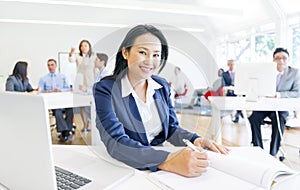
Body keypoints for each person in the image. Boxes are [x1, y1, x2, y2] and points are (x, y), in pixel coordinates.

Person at [93, 24, 229, 177]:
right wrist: (168, 160)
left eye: (156, 55)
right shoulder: (105, 89)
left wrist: (195, 139)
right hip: (125, 166)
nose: (150, 61)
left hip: (160, 166)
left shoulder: (161, 86)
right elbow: (116, 141)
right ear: (125, 52)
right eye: (143, 52)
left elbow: (171, 128)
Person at [248, 47, 300, 157]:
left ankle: (273, 153)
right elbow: (259, 87)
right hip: (266, 106)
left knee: (279, 120)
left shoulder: (295, 72)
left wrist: (279, 95)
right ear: (273, 60)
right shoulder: (267, 72)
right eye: (277, 58)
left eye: (284, 58)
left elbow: (297, 92)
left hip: (282, 107)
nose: (281, 61)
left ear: (288, 59)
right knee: (253, 118)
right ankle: (259, 150)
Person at [38, 59, 73, 142]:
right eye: (48, 65)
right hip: (52, 103)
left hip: (63, 101)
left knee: (70, 110)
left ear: (56, 65)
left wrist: (60, 90)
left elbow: (68, 88)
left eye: (52, 65)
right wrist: (45, 91)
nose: (50, 67)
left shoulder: (63, 77)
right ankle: (66, 132)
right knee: (57, 111)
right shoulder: (43, 78)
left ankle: (66, 131)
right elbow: (39, 90)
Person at [69, 39, 97, 132]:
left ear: (89, 47)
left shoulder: (94, 57)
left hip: (90, 82)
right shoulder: (78, 56)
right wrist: (71, 52)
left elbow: (95, 70)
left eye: (85, 45)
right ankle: (85, 125)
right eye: (81, 46)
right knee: (82, 105)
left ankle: (91, 123)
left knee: (91, 104)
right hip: (80, 82)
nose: (83, 47)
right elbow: (71, 60)